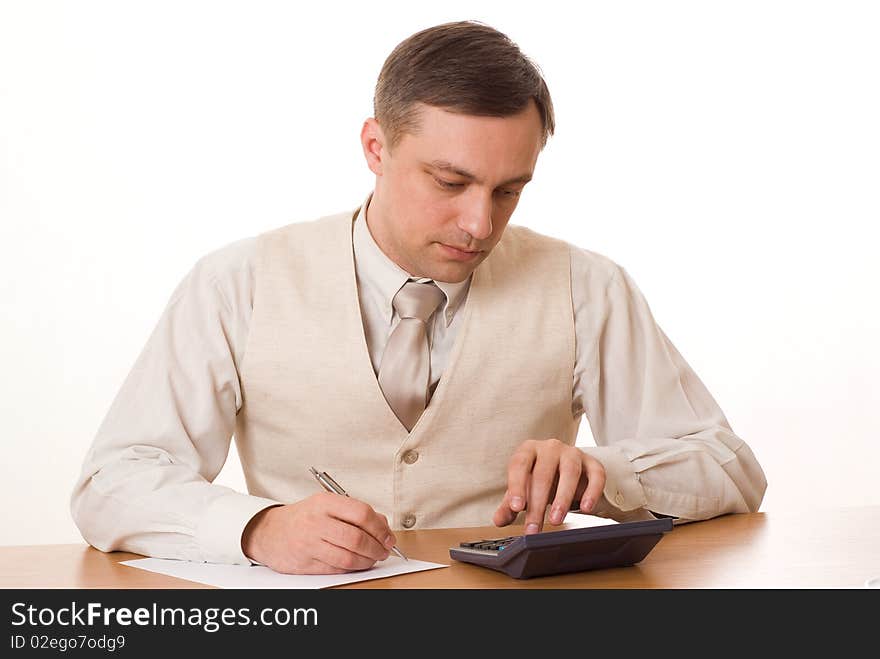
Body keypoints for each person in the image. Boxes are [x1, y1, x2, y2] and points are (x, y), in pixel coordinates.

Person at [71, 20, 767, 575]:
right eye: (448, 181)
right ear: (376, 146)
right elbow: (111, 479)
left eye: (508, 190)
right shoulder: (238, 283)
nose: (480, 223)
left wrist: (604, 471)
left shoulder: (585, 286)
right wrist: (255, 528)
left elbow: (730, 467)